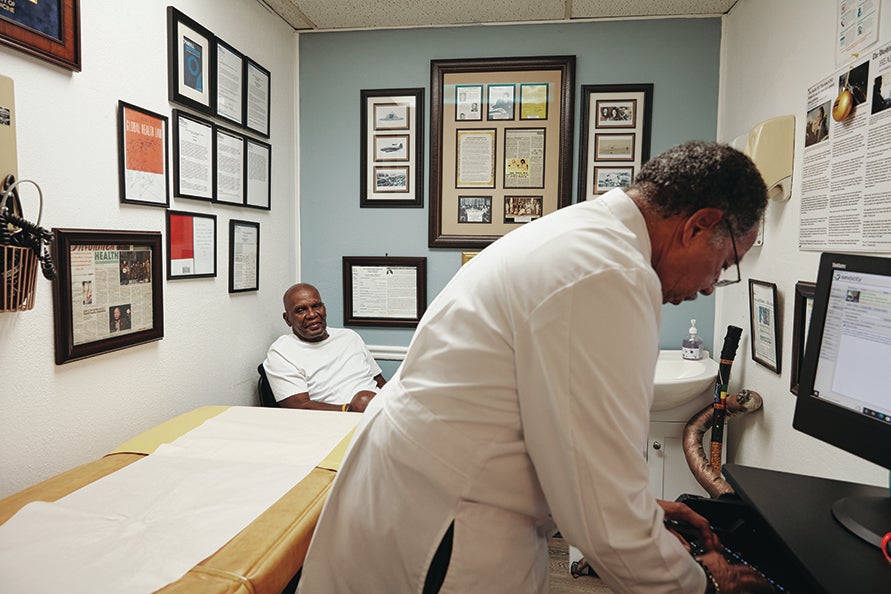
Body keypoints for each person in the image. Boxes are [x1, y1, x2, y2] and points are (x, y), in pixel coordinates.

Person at [298, 142, 774, 594]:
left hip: (425, 495)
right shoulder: (609, 272)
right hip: (446, 523)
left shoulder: (585, 236)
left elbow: (561, 449)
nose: (714, 285)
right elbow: (601, 513)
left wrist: (639, 513)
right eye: (726, 262)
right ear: (698, 225)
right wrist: (704, 584)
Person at [263, 283, 385, 412]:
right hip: (338, 420)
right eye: (300, 310)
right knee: (363, 400)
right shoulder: (281, 352)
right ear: (287, 319)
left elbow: (379, 381)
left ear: (324, 308)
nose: (311, 314)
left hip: (382, 411)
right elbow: (299, 407)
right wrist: (350, 409)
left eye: (316, 306)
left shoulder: (349, 337)